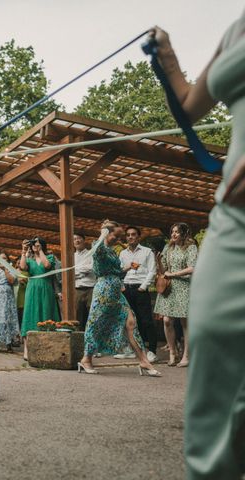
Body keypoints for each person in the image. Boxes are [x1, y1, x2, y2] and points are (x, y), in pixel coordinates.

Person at [153, 21, 245, 476]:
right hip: (233, 218)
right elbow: (191, 104)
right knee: (213, 382)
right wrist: (166, 59)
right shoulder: (237, 31)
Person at [78, 220, 160, 377]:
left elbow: (117, 272)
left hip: (116, 292)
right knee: (96, 323)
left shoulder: (111, 250)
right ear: (107, 233)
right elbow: (98, 253)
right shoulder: (100, 247)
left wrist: (128, 268)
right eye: (117, 235)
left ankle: (143, 360)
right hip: (104, 292)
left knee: (131, 322)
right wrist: (103, 231)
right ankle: (86, 359)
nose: (119, 239)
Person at [153, 223, 197, 367]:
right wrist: (158, 262)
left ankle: (186, 355)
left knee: (185, 322)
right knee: (166, 320)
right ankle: (172, 352)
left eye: (177, 232)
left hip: (184, 286)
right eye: (172, 231)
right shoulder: (168, 247)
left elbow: (192, 267)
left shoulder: (191, 247)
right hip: (169, 287)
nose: (173, 234)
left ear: (184, 234)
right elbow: (164, 270)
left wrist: (174, 274)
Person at [117, 226, 158, 363]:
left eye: (133, 234)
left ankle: (152, 351)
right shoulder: (123, 254)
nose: (130, 237)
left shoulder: (147, 252)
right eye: (128, 235)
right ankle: (131, 350)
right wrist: (122, 286)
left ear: (138, 237)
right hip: (126, 289)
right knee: (129, 321)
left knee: (146, 320)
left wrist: (143, 287)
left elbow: (152, 271)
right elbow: (120, 271)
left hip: (140, 289)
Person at [19, 236, 60, 361]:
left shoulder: (50, 257)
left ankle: (47, 347)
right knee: (29, 316)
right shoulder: (30, 260)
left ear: (42, 245)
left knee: (46, 313)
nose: (34, 246)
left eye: (37, 244)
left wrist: (40, 251)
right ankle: (26, 349)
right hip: (32, 288)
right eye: (33, 244)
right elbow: (22, 267)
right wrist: (23, 251)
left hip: (46, 288)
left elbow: (47, 265)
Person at [73, 233, 96, 330]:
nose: (77, 240)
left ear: (84, 240)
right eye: (74, 239)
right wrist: (82, 272)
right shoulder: (71, 256)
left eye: (79, 238)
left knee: (92, 314)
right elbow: (69, 272)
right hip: (77, 289)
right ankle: (80, 339)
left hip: (91, 288)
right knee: (79, 315)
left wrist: (77, 271)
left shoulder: (91, 253)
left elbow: (92, 268)